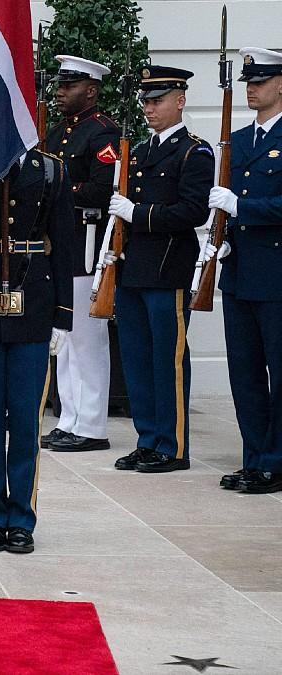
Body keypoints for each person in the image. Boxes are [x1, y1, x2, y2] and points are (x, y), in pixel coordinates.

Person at [107, 66, 213, 475]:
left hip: (168, 269)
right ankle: (147, 438)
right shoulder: (142, 151)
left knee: (167, 359)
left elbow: (193, 211)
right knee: (136, 358)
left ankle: (172, 445)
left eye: (158, 101)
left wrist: (139, 214)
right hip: (133, 269)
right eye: (146, 102)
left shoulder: (194, 151)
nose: (150, 109)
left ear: (180, 101)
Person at [0, 150, 75, 555]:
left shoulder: (49, 169)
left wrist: (62, 316)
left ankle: (21, 517)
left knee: (25, 422)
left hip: (33, 304)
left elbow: (64, 244)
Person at [208, 48, 282, 494]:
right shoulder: (237, 140)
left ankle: (275, 460)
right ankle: (254, 456)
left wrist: (244, 207)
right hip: (239, 272)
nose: (251, 87)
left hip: (275, 274)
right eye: (248, 81)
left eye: (261, 80)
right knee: (246, 371)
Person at [41, 55, 120, 453]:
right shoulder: (57, 133)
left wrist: (60, 194)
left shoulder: (104, 134)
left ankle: (91, 425)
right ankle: (69, 418)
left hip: (86, 245)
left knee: (87, 341)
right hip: (61, 245)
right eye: (59, 84)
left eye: (69, 86)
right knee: (66, 339)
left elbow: (103, 190)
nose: (59, 92)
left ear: (91, 90)